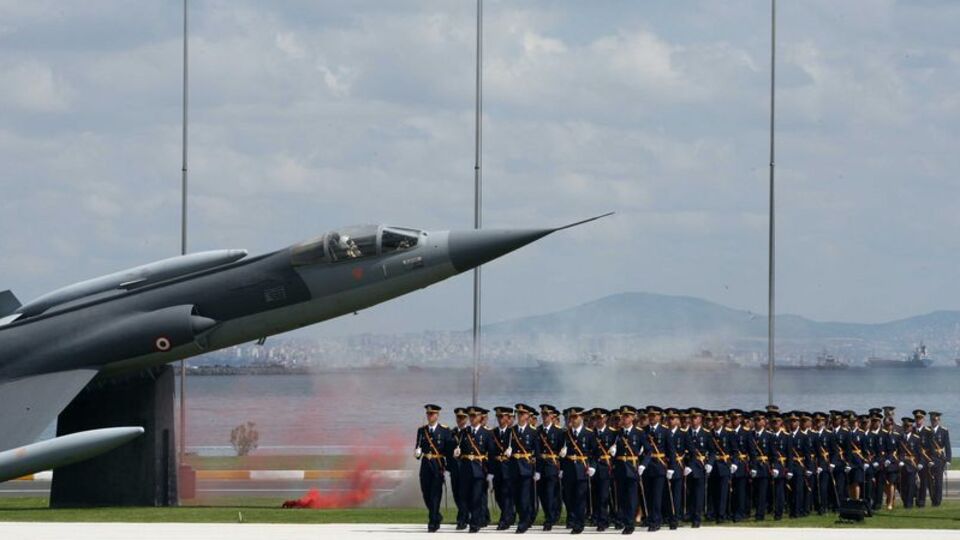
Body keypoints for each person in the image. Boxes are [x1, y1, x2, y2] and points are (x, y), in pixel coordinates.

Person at [454, 406, 495, 533]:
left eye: (474, 416)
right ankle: (465, 519)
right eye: (470, 416)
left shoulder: (487, 433)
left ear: (480, 417)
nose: (472, 418)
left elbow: (491, 454)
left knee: (477, 497)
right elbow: (460, 452)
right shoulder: (463, 432)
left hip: (479, 470)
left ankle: (475, 523)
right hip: (466, 470)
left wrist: (490, 473)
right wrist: (457, 453)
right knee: (464, 497)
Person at [414, 404, 453, 532]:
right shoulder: (421, 430)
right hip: (425, 464)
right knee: (426, 493)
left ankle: (432, 521)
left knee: (435, 494)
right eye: (428, 414)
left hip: (437, 464)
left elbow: (448, 451)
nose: (430, 416)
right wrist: (417, 453)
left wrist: (448, 466)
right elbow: (418, 447)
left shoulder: (445, 430)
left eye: (432, 414)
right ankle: (436, 515)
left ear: (437, 415)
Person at [560, 406, 597, 534]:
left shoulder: (589, 433)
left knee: (580, 497)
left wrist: (593, 466)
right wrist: (561, 460)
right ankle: (573, 519)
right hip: (569, 469)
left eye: (575, 417)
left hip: (582, 469)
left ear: (581, 417)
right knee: (569, 498)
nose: (573, 420)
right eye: (571, 417)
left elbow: (595, 453)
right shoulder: (566, 434)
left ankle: (579, 524)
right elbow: (560, 453)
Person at [615, 405, 649, 535]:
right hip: (620, 468)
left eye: (627, 416)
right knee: (622, 497)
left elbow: (648, 451)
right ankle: (624, 520)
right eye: (623, 416)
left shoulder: (639, 433)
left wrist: (643, 465)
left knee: (631, 497)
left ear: (633, 417)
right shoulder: (617, 433)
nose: (624, 418)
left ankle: (629, 524)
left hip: (632, 468)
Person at [643, 406, 677, 531]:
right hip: (647, 467)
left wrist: (671, 468)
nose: (651, 418)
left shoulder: (665, 431)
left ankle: (656, 521)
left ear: (659, 417)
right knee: (649, 495)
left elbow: (671, 451)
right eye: (650, 415)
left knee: (659, 495)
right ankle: (652, 518)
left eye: (654, 415)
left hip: (660, 466)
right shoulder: (644, 430)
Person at [511, 403, 540, 533]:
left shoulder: (533, 432)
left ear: (528, 416)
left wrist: (537, 471)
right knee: (517, 497)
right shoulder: (512, 431)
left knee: (524, 497)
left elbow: (537, 453)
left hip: (527, 468)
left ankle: (523, 522)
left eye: (522, 414)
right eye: (518, 413)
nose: (519, 416)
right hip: (514, 468)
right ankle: (525, 518)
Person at [536, 404, 564, 531]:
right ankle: (548, 515)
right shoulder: (538, 431)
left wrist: (561, 468)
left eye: (547, 414)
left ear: (552, 416)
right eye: (543, 414)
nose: (544, 417)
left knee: (550, 493)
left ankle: (550, 518)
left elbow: (561, 451)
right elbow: (536, 450)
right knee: (542, 493)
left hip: (552, 466)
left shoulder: (558, 431)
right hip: (541, 465)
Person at [590, 408, 618, 532]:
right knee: (597, 496)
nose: (597, 420)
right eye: (595, 418)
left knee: (609, 496)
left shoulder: (613, 433)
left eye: (600, 418)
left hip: (608, 467)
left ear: (605, 418)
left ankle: (615, 518)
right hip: (595, 467)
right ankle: (602, 520)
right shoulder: (590, 433)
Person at [684, 408, 712, 528]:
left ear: (700, 419)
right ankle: (690, 514)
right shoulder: (685, 433)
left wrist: (710, 463)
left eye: (695, 417)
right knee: (690, 492)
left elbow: (712, 451)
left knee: (699, 493)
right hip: (687, 467)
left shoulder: (706, 434)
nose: (693, 420)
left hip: (700, 467)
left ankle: (697, 517)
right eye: (691, 417)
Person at [491, 406, 516, 530]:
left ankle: (504, 519)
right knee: (498, 495)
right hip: (497, 469)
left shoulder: (513, 433)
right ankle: (509, 514)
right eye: (498, 417)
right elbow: (490, 453)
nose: (500, 419)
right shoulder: (493, 433)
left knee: (507, 494)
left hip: (509, 469)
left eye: (502, 416)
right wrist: (489, 471)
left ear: (508, 418)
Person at [749, 412, 774, 521]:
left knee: (762, 492)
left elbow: (773, 454)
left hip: (764, 467)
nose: (758, 422)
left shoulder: (768, 435)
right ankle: (756, 511)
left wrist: (774, 467)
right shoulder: (750, 435)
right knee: (755, 491)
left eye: (760, 420)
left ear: (764, 422)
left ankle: (760, 514)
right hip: (753, 466)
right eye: (756, 420)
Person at [448, 407, 470, 529]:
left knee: (463, 494)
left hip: (466, 468)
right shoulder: (451, 432)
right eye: (458, 417)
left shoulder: (469, 432)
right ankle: (464, 514)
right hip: (454, 469)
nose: (460, 420)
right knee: (456, 494)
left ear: (466, 418)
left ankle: (462, 518)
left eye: (462, 417)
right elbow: (446, 450)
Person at [929, 411, 951, 507]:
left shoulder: (944, 431)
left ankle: (937, 501)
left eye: (935, 420)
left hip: (939, 459)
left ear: (939, 420)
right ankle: (932, 498)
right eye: (932, 419)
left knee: (938, 481)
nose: (934, 421)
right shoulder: (927, 430)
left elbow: (947, 446)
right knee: (929, 482)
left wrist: (948, 460)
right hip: (928, 458)